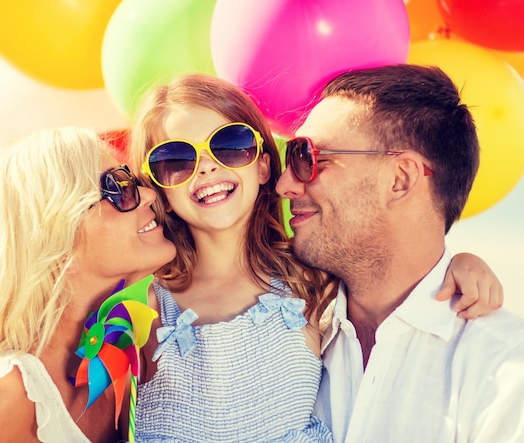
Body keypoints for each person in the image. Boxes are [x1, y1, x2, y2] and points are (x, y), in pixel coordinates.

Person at [127, 73, 504, 442]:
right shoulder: (144, 308)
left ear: (261, 164)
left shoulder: (308, 282)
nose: (207, 167)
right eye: (175, 159)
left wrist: (460, 263)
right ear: (157, 187)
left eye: (229, 146)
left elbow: (388, 263)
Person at [276, 64, 524, 442]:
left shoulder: (508, 374)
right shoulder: (279, 335)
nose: (284, 184)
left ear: (400, 179)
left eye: (308, 156)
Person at [0, 127, 176, 442]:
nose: (149, 195)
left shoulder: (121, 362)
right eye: (117, 187)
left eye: (131, 180)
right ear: (58, 245)